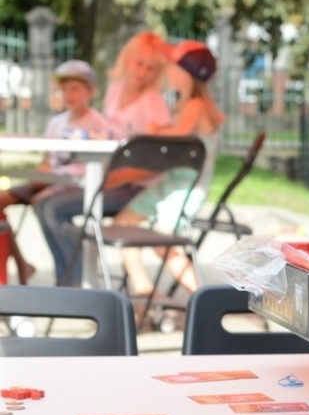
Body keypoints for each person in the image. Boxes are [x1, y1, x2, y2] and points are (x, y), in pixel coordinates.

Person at [35, 31, 173, 285]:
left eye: (151, 68)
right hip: (103, 177)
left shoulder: (154, 102)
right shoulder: (115, 91)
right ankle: (67, 280)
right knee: (43, 204)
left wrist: (116, 177)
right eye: (139, 64)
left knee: (53, 208)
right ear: (127, 60)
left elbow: (158, 161)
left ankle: (78, 282)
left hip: (131, 186)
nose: (143, 72)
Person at [112, 40, 225, 303]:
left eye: (172, 65)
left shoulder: (196, 105)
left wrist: (154, 130)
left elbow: (179, 135)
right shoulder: (183, 103)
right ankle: (144, 290)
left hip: (186, 188)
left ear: (185, 73)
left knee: (162, 244)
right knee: (123, 223)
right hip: (170, 183)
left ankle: (206, 302)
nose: (166, 69)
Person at [0, 60, 118, 284]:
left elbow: (95, 168)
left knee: (46, 206)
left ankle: (72, 277)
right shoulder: (56, 122)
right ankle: (22, 264)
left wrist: (51, 186)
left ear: (90, 91)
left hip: (74, 184)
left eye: (75, 89)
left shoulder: (99, 124)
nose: (68, 95)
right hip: (50, 180)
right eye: (64, 90)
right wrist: (40, 175)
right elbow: (47, 161)